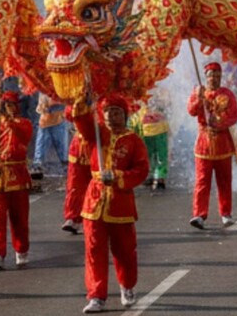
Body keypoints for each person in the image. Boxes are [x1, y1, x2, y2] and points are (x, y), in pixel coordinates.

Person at [72, 94, 149, 313]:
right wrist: (83, 101)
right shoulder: (97, 134)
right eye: (107, 112)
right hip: (94, 201)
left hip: (120, 202)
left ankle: (127, 286)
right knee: (93, 250)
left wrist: (118, 177)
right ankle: (96, 296)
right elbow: (81, 121)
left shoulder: (134, 140)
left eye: (116, 112)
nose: (111, 116)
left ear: (124, 115)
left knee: (124, 249)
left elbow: (141, 170)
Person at [0, 91, 34, 270]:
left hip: (18, 177)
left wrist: (10, 123)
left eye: (13, 104)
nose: (10, 107)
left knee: (20, 218)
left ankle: (21, 249)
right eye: (7, 104)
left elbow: (24, 137)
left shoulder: (25, 124)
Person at [187, 61, 237, 229]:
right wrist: (199, 99)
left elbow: (234, 114)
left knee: (224, 181)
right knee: (202, 181)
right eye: (211, 76)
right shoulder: (199, 92)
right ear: (206, 77)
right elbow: (191, 111)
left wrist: (219, 122)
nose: (214, 79)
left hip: (223, 144)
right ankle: (199, 215)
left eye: (218, 76)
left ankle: (226, 213)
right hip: (204, 145)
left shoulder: (227, 94)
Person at [62, 105, 91, 234]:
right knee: (74, 186)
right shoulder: (75, 101)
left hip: (96, 146)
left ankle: (94, 218)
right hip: (78, 149)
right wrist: (78, 106)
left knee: (96, 186)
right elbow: (69, 114)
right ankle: (73, 218)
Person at [132, 94, 170, 191]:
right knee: (158, 155)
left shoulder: (139, 96)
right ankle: (157, 177)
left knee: (152, 155)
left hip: (151, 130)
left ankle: (155, 176)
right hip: (154, 130)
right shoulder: (158, 94)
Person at [32, 93, 69, 176]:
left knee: (62, 145)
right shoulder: (44, 90)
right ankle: (38, 165)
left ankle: (66, 165)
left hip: (59, 117)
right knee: (42, 144)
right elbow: (44, 104)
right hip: (46, 118)